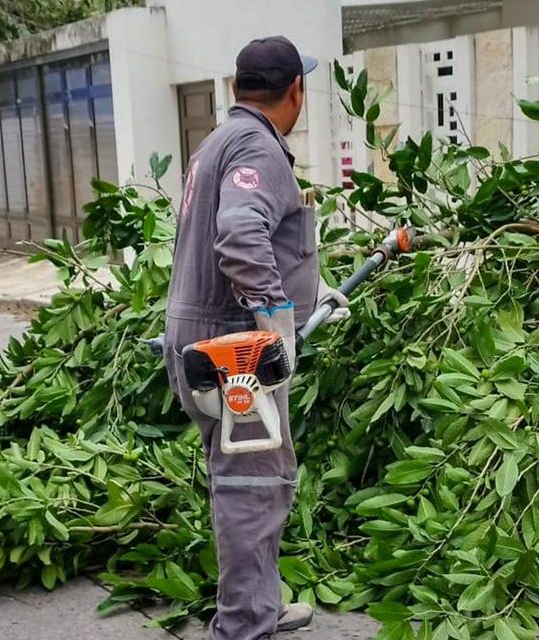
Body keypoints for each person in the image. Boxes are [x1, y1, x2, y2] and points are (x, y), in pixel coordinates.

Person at [163, 36, 349, 639]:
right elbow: (241, 233)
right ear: (296, 90)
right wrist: (275, 315)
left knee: (250, 478)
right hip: (233, 351)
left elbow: (243, 235)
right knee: (253, 486)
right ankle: (244, 625)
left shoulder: (217, 142)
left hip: (203, 337)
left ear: (237, 87)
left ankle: (256, 608)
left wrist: (310, 292)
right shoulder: (258, 147)